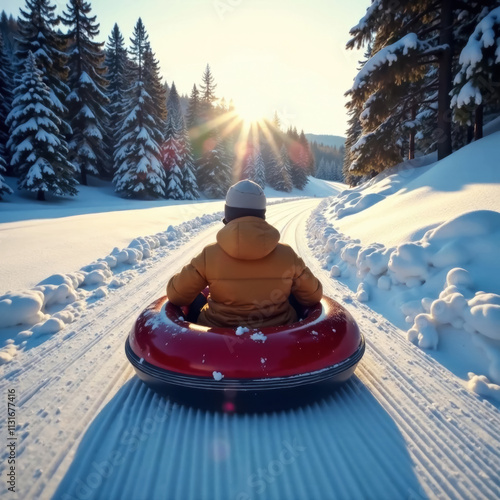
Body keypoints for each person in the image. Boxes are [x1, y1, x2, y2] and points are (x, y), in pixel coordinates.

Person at [166, 180, 323, 328]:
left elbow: (176, 296)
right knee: (294, 294)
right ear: (262, 214)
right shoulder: (287, 254)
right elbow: (313, 296)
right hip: (278, 334)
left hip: (218, 335)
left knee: (197, 300)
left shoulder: (209, 255)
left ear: (228, 214)